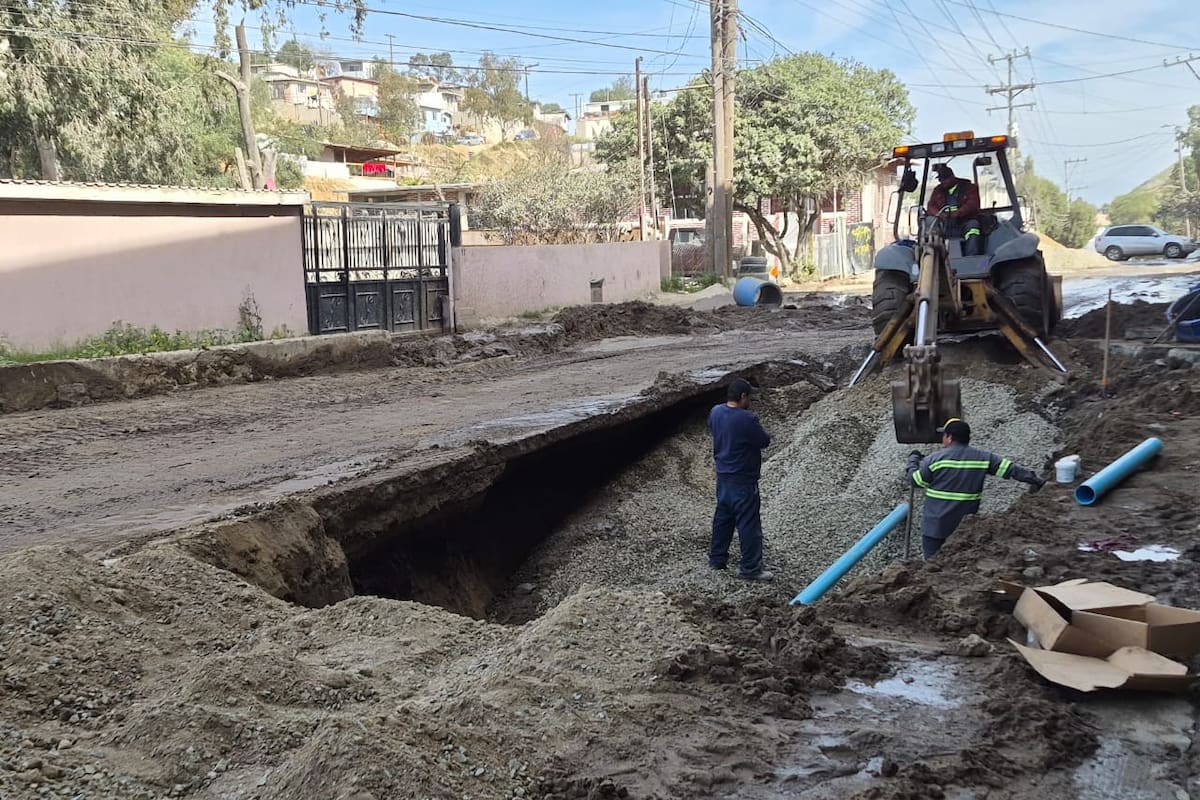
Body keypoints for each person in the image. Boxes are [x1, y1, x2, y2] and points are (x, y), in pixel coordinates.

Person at [906, 418, 1046, 560]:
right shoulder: (983, 458)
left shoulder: (935, 459)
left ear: (949, 437)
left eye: (944, 436)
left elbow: (916, 481)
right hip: (965, 527)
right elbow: (1012, 470)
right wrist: (1037, 480)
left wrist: (913, 461)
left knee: (932, 564)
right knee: (960, 562)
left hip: (935, 526)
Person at [708, 377, 773, 581]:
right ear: (743, 396)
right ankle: (751, 569)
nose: (750, 400)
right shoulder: (747, 419)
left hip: (723, 476)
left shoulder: (715, 412)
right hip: (743, 480)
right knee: (748, 525)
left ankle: (717, 560)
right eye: (749, 396)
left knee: (723, 518)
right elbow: (764, 441)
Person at [926, 164, 984, 256]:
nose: (942, 182)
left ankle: (971, 256)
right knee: (930, 223)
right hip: (944, 225)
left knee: (973, 227)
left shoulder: (969, 188)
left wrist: (958, 213)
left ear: (952, 177)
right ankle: (933, 257)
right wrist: (938, 214)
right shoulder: (938, 190)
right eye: (940, 179)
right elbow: (930, 206)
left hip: (964, 222)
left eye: (945, 179)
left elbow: (972, 204)